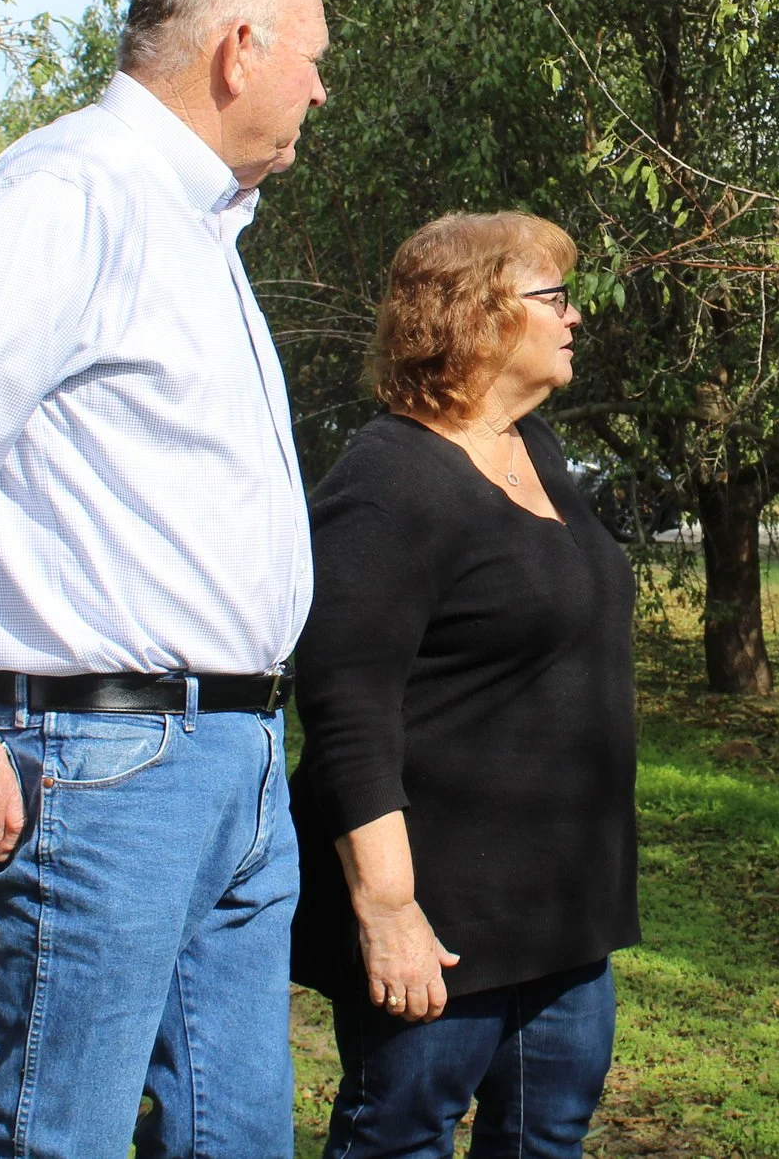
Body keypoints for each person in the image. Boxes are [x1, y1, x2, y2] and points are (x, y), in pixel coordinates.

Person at [0, 0, 329, 1159]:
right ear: (238, 49)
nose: (320, 91)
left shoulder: (198, 225)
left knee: (237, 1132)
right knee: (56, 1131)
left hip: (234, 751)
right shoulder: (73, 192)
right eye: (314, 61)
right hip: (105, 754)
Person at [290, 211, 638, 1159]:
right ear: (477, 315)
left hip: (562, 916)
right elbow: (346, 713)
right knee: (399, 1137)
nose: (575, 317)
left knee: (545, 1139)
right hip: (442, 925)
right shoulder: (389, 480)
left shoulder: (541, 453)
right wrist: (389, 909)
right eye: (552, 297)